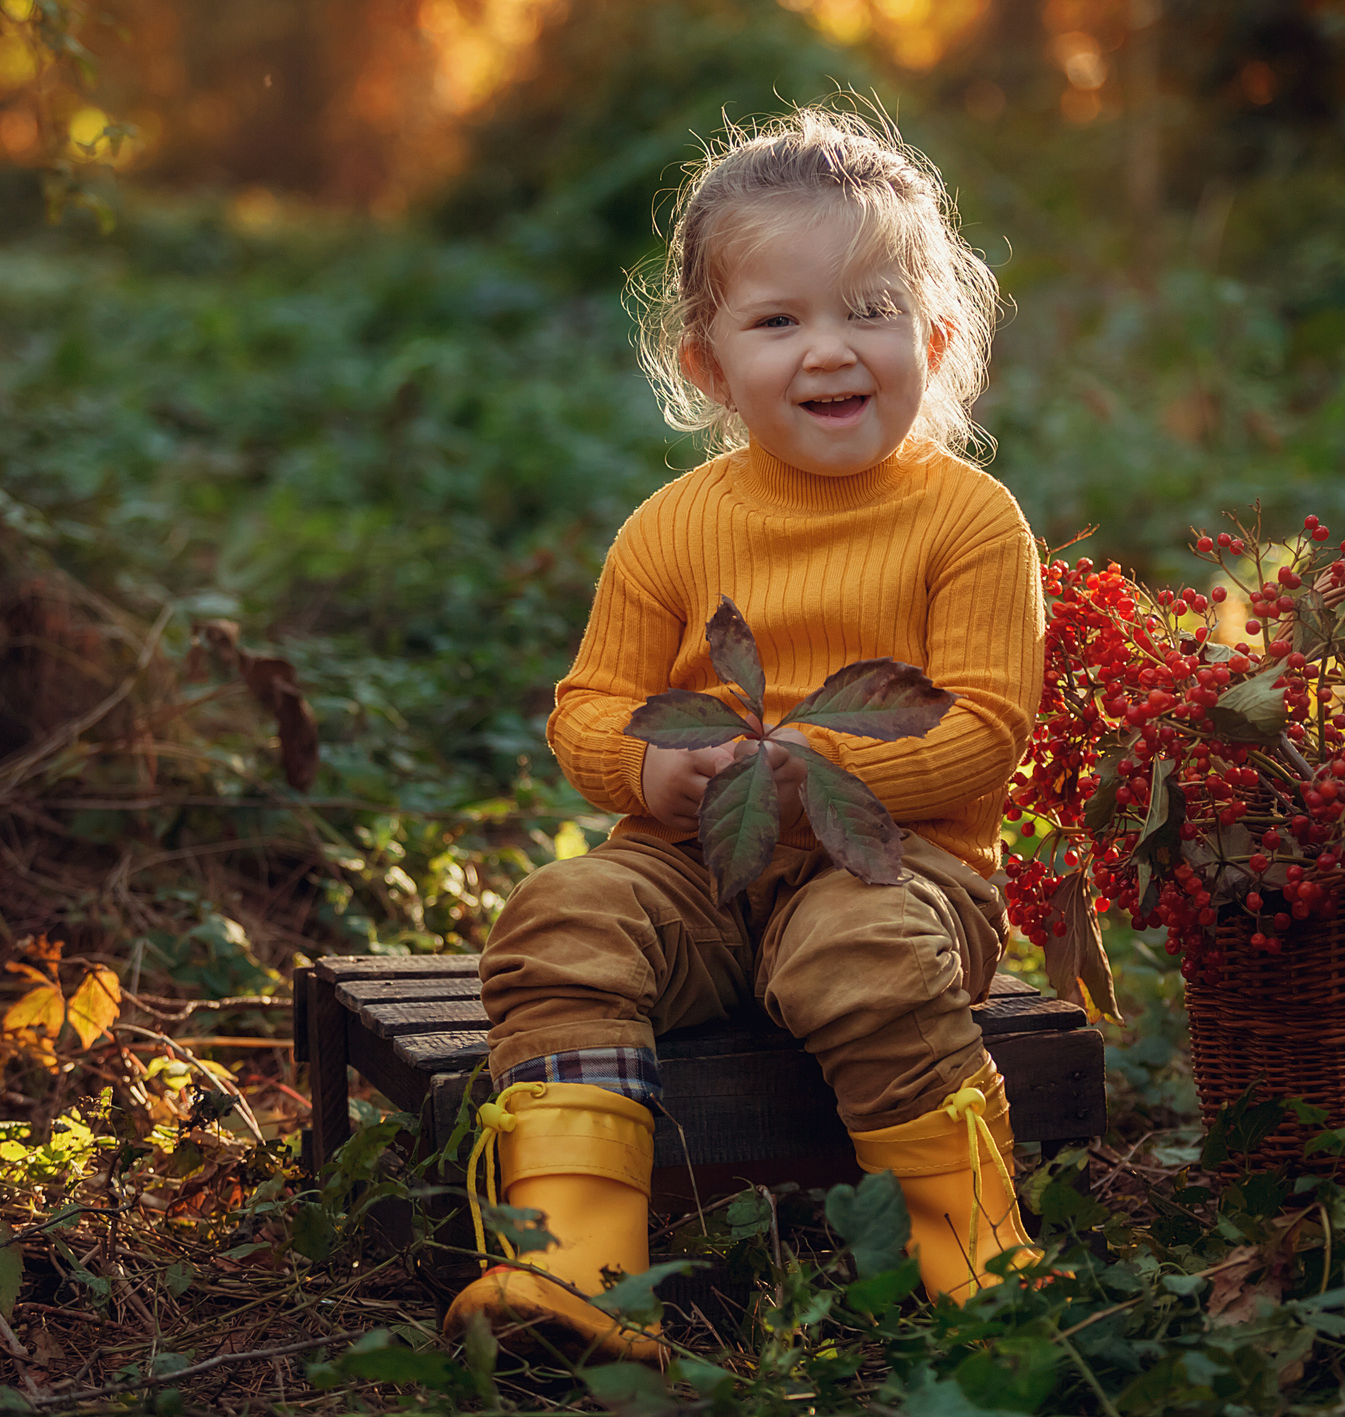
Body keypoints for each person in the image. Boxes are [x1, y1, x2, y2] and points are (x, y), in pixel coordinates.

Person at [442, 106, 1047, 1363]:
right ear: (708, 364)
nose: (830, 350)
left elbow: (985, 733)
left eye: (870, 310)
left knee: (863, 949)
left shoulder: (969, 523)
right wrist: (655, 770)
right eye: (779, 321)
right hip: (695, 863)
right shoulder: (673, 526)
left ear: (933, 341)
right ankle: (575, 1265)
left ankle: (981, 1268)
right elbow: (589, 708)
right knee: (561, 919)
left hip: (902, 865)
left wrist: (823, 771)